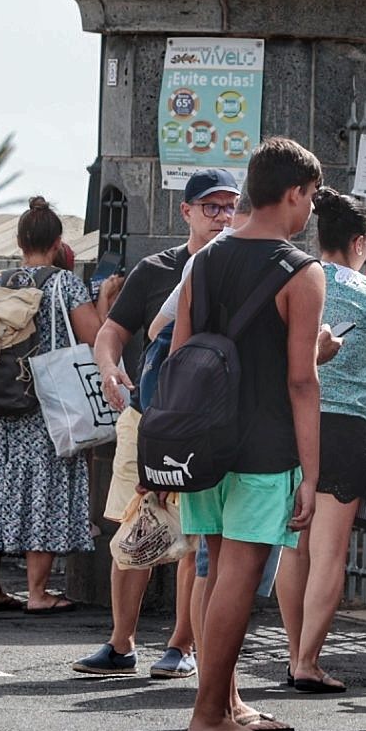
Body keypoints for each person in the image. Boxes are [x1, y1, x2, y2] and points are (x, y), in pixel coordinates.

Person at [174, 136, 325, 731]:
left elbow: (182, 351)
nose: (311, 208)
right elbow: (301, 378)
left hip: (201, 439)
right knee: (238, 572)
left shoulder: (204, 259)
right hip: (264, 443)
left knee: (215, 568)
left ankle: (226, 699)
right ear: (292, 194)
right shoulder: (301, 272)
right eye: (310, 197)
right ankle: (209, 716)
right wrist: (312, 475)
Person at [78, 167, 240, 676]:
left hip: (210, 426)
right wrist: (109, 369)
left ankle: (181, 646)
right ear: (185, 211)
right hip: (149, 418)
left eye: (230, 206)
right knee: (135, 529)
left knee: (197, 536)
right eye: (210, 207)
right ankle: (121, 643)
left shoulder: (240, 268)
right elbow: (112, 332)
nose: (221, 217)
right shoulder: (156, 269)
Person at [0, 198, 104, 613]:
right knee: (44, 491)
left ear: (19, 240)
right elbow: (94, 337)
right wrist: (108, 302)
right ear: (59, 242)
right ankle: (38, 593)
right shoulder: (64, 284)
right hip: (45, 406)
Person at [275, 188, 366, 693]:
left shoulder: (297, 278)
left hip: (293, 421)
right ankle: (308, 662)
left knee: (292, 545)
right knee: (328, 552)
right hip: (347, 428)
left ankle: (291, 650)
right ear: (360, 242)